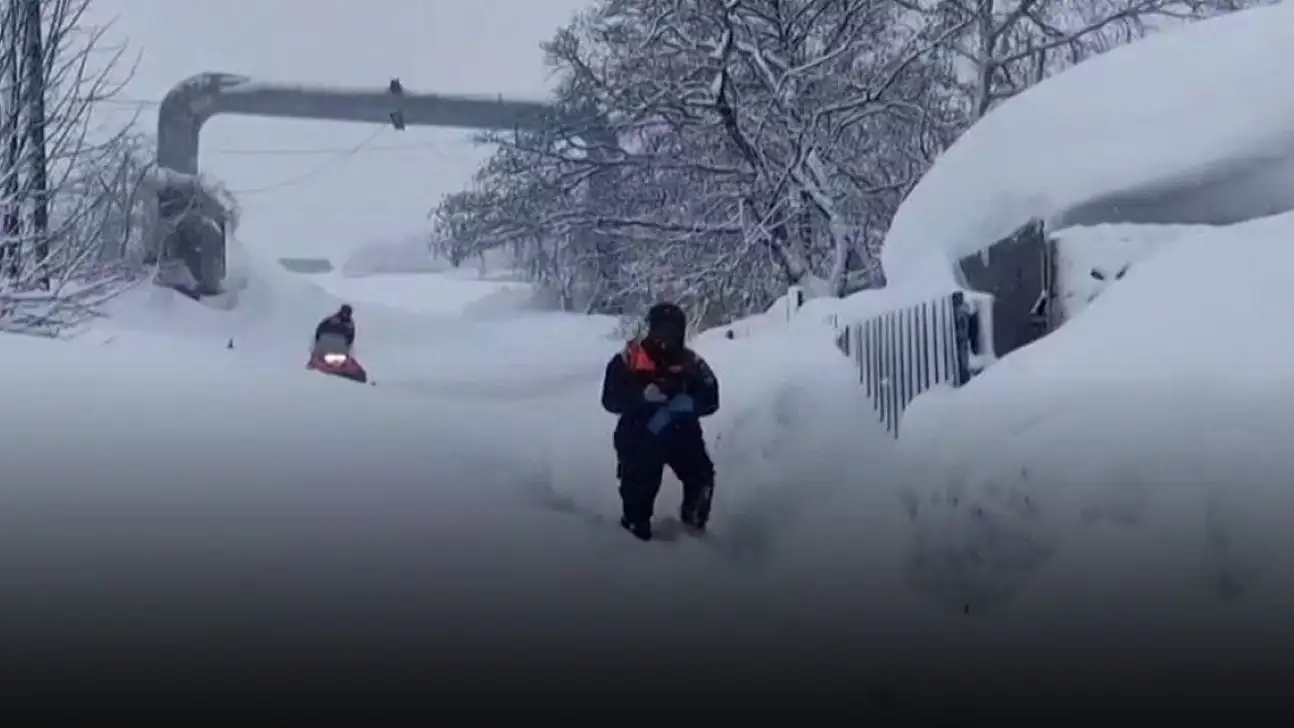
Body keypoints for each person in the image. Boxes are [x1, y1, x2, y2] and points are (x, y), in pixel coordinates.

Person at [600, 302, 720, 541]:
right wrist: (639, 397)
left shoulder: (691, 362)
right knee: (639, 483)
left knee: (702, 476)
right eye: (661, 330)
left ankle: (694, 529)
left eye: (673, 331)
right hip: (639, 433)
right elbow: (609, 399)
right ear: (651, 329)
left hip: (680, 431)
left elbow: (711, 398)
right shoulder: (630, 359)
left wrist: (689, 403)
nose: (666, 338)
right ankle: (634, 533)